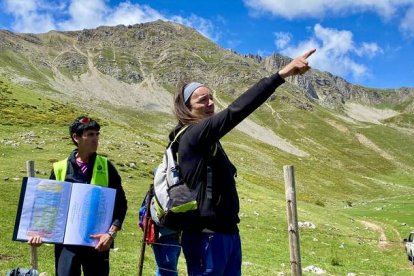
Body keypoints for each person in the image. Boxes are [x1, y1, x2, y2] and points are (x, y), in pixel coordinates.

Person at [170, 49, 316, 275]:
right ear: (187, 108)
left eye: (211, 98)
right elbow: (236, 111)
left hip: (227, 234)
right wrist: (281, 75)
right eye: (202, 100)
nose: (210, 103)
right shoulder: (193, 135)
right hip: (206, 237)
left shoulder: (210, 140)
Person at [28, 115, 128, 276]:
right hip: (66, 244)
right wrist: (39, 233)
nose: (95, 139)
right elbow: (48, 207)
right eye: (90, 135)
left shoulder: (106, 166)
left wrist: (110, 234)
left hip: (97, 242)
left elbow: (121, 204)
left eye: (97, 134)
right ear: (76, 137)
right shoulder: (60, 168)